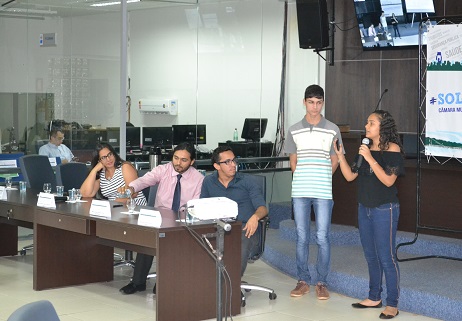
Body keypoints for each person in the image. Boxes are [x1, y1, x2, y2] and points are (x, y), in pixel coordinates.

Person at [334, 110, 404, 319]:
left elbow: (389, 180)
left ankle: (392, 303)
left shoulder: (392, 148)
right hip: (364, 208)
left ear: (383, 127)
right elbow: (349, 176)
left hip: (385, 208)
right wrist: (340, 156)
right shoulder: (364, 148)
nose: (366, 126)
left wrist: (369, 158)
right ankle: (374, 296)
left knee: (387, 256)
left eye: (371, 123)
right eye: (367, 122)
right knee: (370, 255)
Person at [118, 142, 204, 294]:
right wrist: (131, 188)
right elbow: (144, 180)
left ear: (192, 162)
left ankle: (165, 282)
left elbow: (196, 205)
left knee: (173, 242)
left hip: (182, 220)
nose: (178, 163)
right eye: (176, 158)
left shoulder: (198, 179)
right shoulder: (163, 170)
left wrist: (181, 218)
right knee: (147, 239)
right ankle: (138, 282)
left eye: (183, 160)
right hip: (160, 217)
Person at [284, 84, 342, 300]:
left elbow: (335, 159)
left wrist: (325, 176)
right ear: (304, 102)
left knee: (322, 237)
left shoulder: (333, 129)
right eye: (311, 102)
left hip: (323, 192)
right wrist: (303, 177)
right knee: (301, 236)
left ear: (323, 103)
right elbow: (293, 162)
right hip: (300, 191)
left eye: (319, 102)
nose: (315, 107)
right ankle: (302, 280)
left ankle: (322, 282)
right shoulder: (293, 129)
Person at [200, 146, 268, 277]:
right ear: (216, 166)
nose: (233, 165)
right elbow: (203, 207)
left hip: (245, 229)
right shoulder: (208, 182)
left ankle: (231, 287)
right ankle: (208, 285)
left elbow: (262, 209)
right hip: (218, 228)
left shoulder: (248, 181)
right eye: (227, 162)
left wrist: (255, 217)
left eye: (234, 160)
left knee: (239, 242)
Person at [80, 142, 147, 205]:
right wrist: (94, 170)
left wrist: (110, 206)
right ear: (99, 161)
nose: (108, 159)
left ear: (114, 154)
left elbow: (134, 192)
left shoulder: (125, 167)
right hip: (115, 210)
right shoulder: (102, 175)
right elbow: (85, 193)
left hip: (134, 207)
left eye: (110, 154)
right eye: (103, 158)